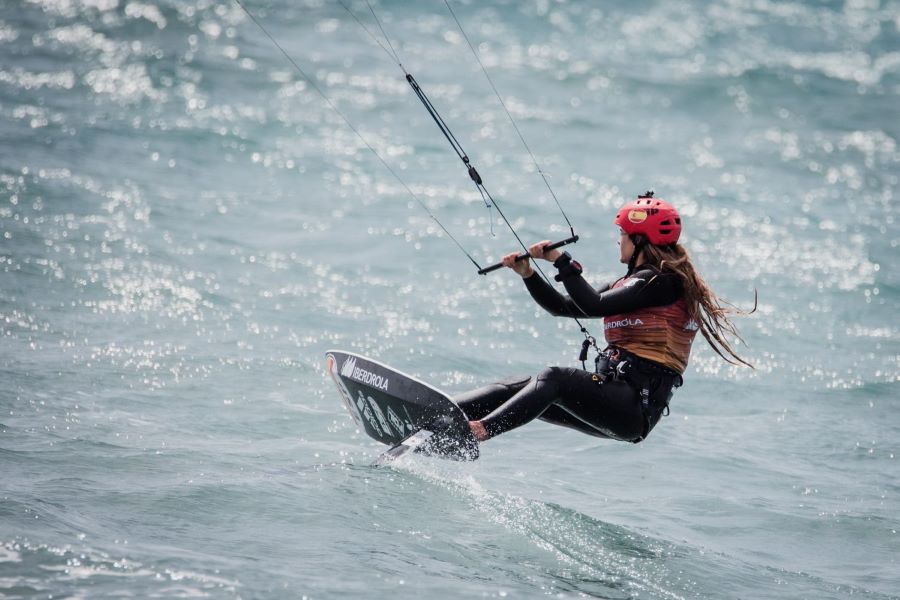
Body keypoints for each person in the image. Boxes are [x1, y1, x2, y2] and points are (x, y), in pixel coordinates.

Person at [457, 192, 753, 444]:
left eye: (622, 234)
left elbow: (592, 303)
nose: (619, 241)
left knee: (554, 378)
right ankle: (442, 415)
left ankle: (478, 432)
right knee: (516, 387)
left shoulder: (662, 282)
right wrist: (529, 275)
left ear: (639, 239)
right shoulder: (633, 284)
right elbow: (565, 307)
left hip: (633, 407)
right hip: (616, 401)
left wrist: (561, 261)